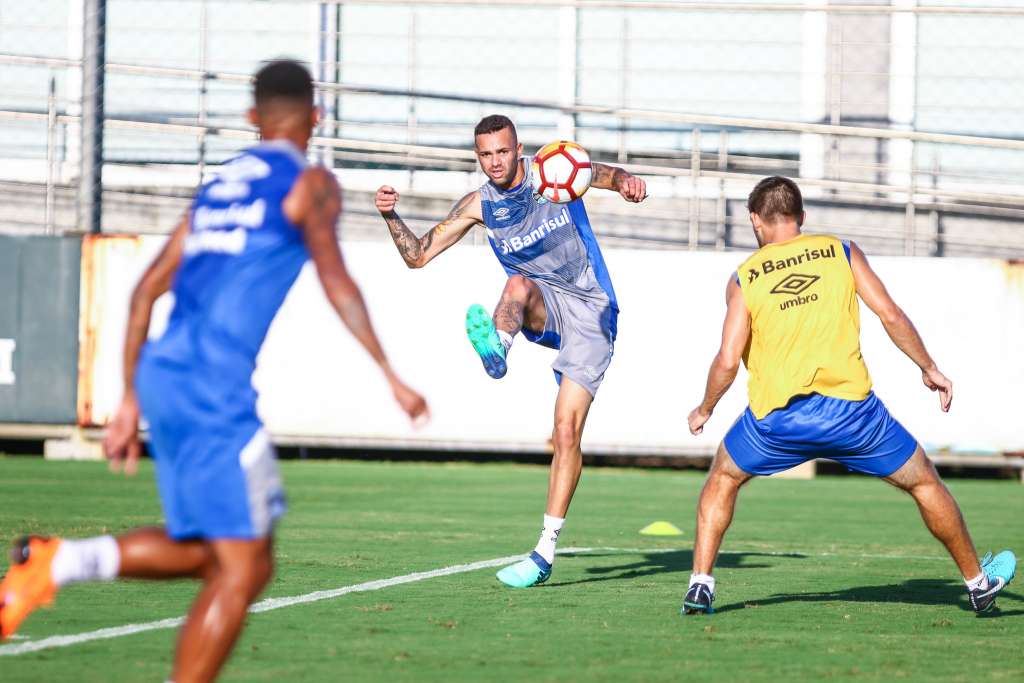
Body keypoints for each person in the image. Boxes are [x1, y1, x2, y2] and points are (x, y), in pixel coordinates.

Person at [0, 60, 428, 681]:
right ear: (316, 117)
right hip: (212, 389)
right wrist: (391, 373)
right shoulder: (311, 186)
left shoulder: (220, 188)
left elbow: (145, 291)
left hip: (162, 378)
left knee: (213, 551)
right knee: (247, 568)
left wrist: (128, 400)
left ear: (252, 119)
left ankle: (57, 561)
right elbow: (337, 282)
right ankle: (59, 568)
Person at [682, 175, 1015, 616]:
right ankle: (977, 582)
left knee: (723, 478)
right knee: (924, 482)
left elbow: (727, 358)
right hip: (854, 416)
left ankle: (701, 585)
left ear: (755, 221)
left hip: (776, 421)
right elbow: (890, 314)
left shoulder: (743, 278)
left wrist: (705, 408)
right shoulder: (842, 251)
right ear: (801, 218)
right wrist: (928, 368)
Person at [375, 115, 645, 587]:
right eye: (486, 154)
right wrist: (390, 215)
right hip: (542, 306)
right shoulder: (479, 204)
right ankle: (497, 349)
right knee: (517, 283)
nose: (496, 162)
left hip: (593, 312)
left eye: (503, 152)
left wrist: (627, 182)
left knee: (565, 433)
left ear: (518, 150)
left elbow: (604, 174)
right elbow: (417, 256)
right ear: (477, 157)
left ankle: (544, 552)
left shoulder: (553, 169)